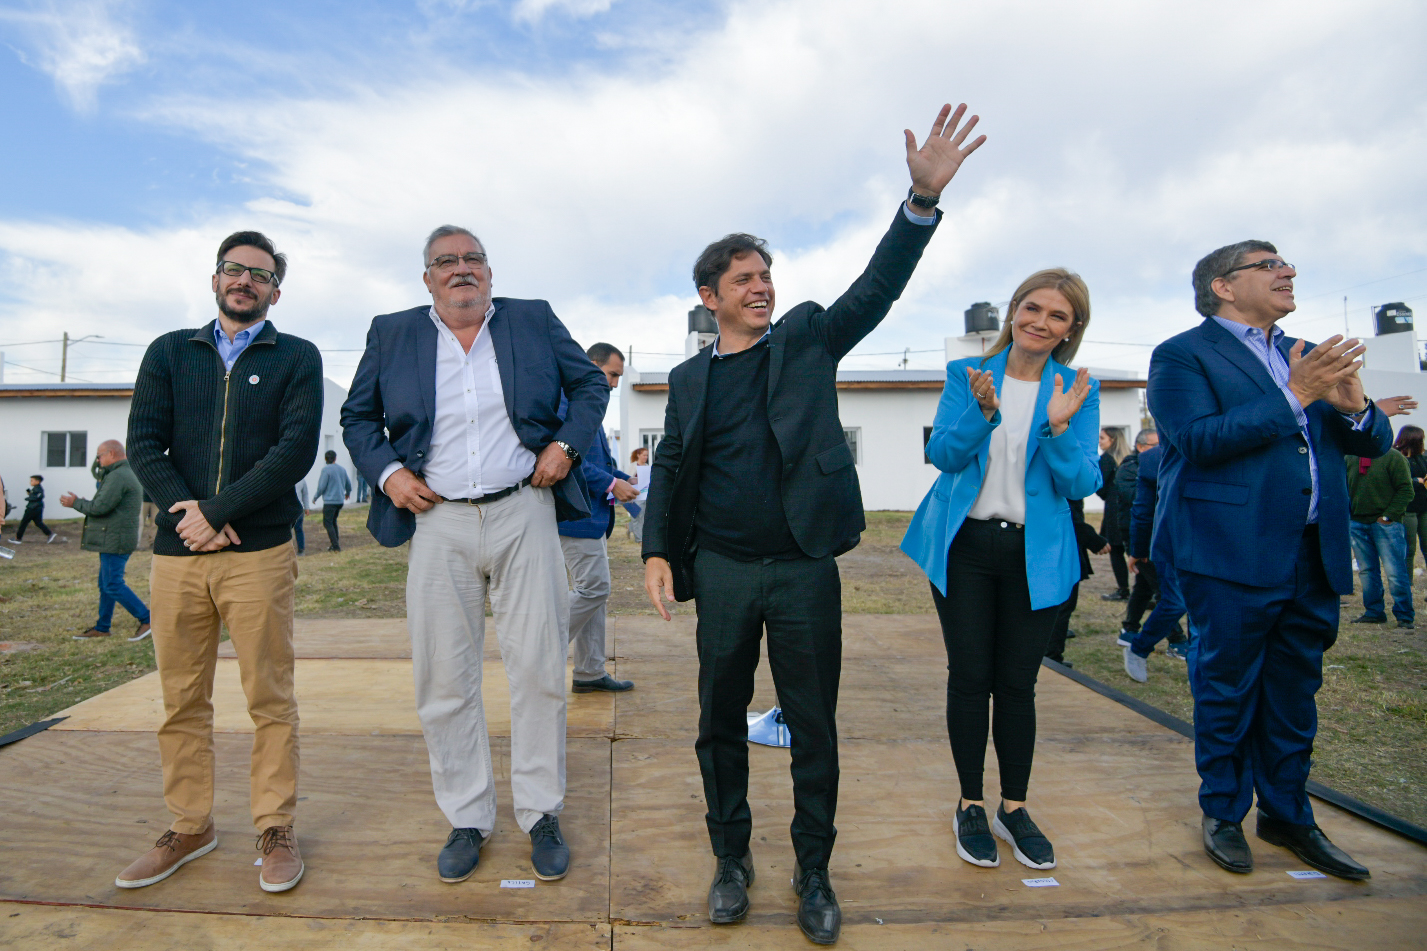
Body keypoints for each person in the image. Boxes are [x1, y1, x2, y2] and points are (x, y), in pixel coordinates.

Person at [641, 103, 984, 945]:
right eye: (743, 278)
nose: (761, 286)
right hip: (720, 567)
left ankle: (814, 867)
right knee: (717, 719)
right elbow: (674, 467)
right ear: (708, 297)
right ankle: (730, 858)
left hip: (801, 567)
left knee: (811, 723)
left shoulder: (804, 340)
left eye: (766, 274)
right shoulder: (687, 382)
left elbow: (874, 289)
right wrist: (655, 550)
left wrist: (918, 205)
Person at [341, 224, 608, 886]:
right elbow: (356, 418)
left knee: (540, 667)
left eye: (473, 259)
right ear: (426, 278)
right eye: (446, 262)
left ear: (489, 272)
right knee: (443, 676)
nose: (462, 270)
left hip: (524, 509)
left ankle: (540, 811)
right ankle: (466, 816)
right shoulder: (391, 332)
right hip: (437, 519)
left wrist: (567, 445)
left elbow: (589, 389)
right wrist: (388, 474)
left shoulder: (532, 320)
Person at [1148, 239, 1390, 882]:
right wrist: (1294, 395)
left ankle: (1286, 814)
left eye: (1286, 263)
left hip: (1312, 554)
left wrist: (1356, 408)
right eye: (1268, 264)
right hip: (1229, 555)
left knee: (1294, 693)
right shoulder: (1182, 354)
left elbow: (1369, 441)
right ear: (1223, 286)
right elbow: (1198, 441)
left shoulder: (1302, 353)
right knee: (1225, 689)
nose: (1287, 271)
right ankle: (1223, 813)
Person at [121, 230, 322, 894]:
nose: (245, 281)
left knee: (270, 698)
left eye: (259, 275)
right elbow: (145, 443)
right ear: (215, 279)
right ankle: (190, 824)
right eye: (234, 270)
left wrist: (222, 508)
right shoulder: (169, 352)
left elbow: (293, 450)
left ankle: (275, 827)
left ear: (275, 291)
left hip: (260, 553)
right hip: (177, 558)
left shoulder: (296, 356)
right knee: (181, 700)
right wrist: (190, 512)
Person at [903, 266, 1099, 879]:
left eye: (1057, 315)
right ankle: (970, 803)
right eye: (1032, 308)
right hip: (965, 547)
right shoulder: (969, 376)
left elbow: (1081, 482)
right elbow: (942, 456)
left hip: (1036, 555)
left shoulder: (1076, 388)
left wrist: (1062, 426)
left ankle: (1015, 807)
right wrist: (983, 412)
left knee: (1017, 686)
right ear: (1014, 311)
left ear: (1072, 328)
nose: (1041, 321)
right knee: (968, 679)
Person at [559, 342, 638, 693]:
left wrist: (622, 478)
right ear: (592, 365)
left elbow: (597, 462)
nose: (615, 384)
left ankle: (589, 672)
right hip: (576, 516)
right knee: (594, 589)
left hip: (592, 517)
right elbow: (567, 459)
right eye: (612, 374)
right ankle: (544, 648)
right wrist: (610, 482)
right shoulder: (567, 404)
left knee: (594, 594)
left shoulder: (587, 404)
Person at [1121, 440, 1198, 682]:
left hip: (1212, 540)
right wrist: (1138, 549)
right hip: (1170, 541)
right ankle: (1139, 648)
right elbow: (1142, 508)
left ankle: (1199, 667)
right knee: (1176, 602)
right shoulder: (1152, 459)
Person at [61, 440, 151, 641]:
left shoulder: (118, 476)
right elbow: (103, 499)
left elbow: (100, 507)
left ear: (111, 453)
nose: (98, 460)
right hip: (114, 536)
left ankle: (147, 618)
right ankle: (103, 626)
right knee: (106, 584)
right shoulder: (119, 473)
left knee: (112, 584)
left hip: (115, 538)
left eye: (99, 455)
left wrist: (75, 503)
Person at [1345, 448, 1414, 628]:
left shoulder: (1393, 457)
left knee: (1395, 572)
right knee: (1367, 570)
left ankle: (1404, 615)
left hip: (1386, 524)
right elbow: (1343, 487)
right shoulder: (1350, 456)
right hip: (1358, 522)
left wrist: (1388, 516)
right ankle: (1374, 611)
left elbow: (1406, 489)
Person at [1045, 497, 1109, 665]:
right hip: (1061, 549)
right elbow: (1067, 516)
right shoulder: (1064, 479)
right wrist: (1094, 540)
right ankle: (1052, 657)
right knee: (1061, 606)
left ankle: (1050, 654)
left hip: (1054, 546)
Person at [1115, 429, 1160, 640]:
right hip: (1138, 535)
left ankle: (1129, 629)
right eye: (1155, 445)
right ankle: (1176, 640)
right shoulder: (1129, 469)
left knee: (1143, 586)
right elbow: (1138, 500)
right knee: (1166, 594)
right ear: (1141, 447)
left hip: (1152, 534)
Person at [1097, 428, 1131, 600]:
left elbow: (1099, 485)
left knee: (1116, 550)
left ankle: (1123, 590)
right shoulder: (1130, 457)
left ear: (1112, 440)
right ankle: (1149, 590)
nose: (1099, 441)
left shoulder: (1106, 459)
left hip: (1114, 511)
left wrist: (1107, 495)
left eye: (1102, 438)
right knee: (1134, 550)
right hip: (1131, 508)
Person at [1395, 425, 1427, 578]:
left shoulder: (1421, 457)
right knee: (1409, 548)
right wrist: (1416, 481)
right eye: (1421, 440)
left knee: (1426, 545)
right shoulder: (1395, 457)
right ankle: (1407, 583)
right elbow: (1395, 482)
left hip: (1424, 507)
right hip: (1408, 508)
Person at [314, 451, 351, 551]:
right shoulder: (342, 469)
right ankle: (335, 544)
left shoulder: (326, 470)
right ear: (335, 458)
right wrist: (347, 493)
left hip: (330, 501)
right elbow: (348, 484)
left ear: (325, 459)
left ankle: (335, 546)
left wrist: (315, 497)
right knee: (333, 522)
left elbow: (322, 486)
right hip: (339, 501)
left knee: (327, 523)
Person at [11, 475, 59, 543]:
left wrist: (28, 498)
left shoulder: (38, 489)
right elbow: (35, 496)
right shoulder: (36, 488)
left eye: (32, 480)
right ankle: (49, 534)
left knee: (24, 522)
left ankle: (18, 538)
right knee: (38, 522)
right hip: (37, 507)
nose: (30, 482)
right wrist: (30, 494)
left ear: (37, 481)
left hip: (33, 508)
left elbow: (38, 497)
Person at [625, 446, 649, 542]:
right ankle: (639, 539)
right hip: (635, 495)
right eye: (644, 455)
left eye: (647, 455)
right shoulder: (633, 466)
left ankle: (630, 528)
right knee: (637, 515)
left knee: (642, 516)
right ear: (638, 455)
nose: (645, 457)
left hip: (645, 495)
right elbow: (627, 479)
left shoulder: (647, 466)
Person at [293, 480, 311, 555]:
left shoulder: (301, 480)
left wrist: (306, 507)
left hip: (298, 509)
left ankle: (301, 549)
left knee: (298, 529)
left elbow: (305, 494)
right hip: (288, 509)